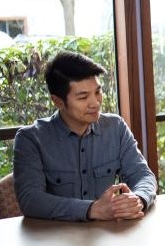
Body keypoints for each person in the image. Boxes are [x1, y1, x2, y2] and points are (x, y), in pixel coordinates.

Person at [14, 51, 157, 221]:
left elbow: (143, 174)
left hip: (108, 236)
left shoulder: (115, 127)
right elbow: (31, 200)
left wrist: (138, 199)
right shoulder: (30, 139)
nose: (95, 103)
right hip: (55, 239)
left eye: (98, 92)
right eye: (83, 97)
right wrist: (91, 209)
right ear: (58, 102)